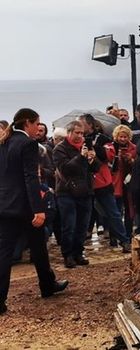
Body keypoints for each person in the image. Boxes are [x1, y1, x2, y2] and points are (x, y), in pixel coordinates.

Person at [0, 108, 68, 315]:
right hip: (25, 206)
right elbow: (31, 178)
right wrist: (38, 210)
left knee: (7, 252)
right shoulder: (27, 144)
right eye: (37, 123)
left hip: (4, 205)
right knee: (37, 247)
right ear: (27, 123)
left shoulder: (4, 141)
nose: (39, 127)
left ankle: (45, 285)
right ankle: (47, 286)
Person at [78, 114, 131, 252]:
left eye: (81, 124)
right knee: (85, 214)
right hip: (84, 182)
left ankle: (124, 241)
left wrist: (95, 148)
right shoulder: (78, 140)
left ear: (89, 124)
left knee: (113, 212)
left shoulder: (102, 138)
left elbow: (109, 157)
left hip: (102, 181)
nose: (79, 127)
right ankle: (78, 245)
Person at [53, 120, 99, 268]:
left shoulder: (85, 147)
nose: (80, 136)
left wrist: (92, 159)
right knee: (69, 225)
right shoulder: (60, 149)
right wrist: (81, 157)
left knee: (82, 226)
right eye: (77, 133)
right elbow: (66, 169)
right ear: (69, 133)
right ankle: (68, 255)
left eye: (82, 133)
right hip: (67, 192)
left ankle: (78, 252)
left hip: (85, 191)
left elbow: (96, 169)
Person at [105, 125, 136, 237]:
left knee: (129, 211)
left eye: (125, 136)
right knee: (115, 211)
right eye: (121, 136)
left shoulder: (134, 148)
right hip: (115, 182)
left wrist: (131, 160)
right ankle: (114, 236)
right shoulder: (109, 148)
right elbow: (108, 164)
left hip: (128, 182)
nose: (123, 139)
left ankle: (127, 234)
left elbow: (137, 164)